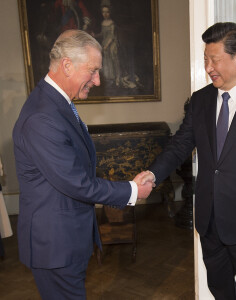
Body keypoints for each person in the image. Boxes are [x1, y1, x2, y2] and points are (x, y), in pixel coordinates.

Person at [140, 22, 236, 299]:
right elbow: (180, 145)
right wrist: (153, 174)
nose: (208, 67)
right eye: (205, 60)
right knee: (219, 289)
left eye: (215, 59)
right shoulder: (200, 100)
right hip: (210, 220)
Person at [13, 29, 153, 300]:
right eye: (93, 71)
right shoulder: (43, 116)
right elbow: (76, 182)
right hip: (55, 246)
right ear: (67, 65)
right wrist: (132, 191)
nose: (97, 80)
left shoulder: (57, 104)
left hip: (66, 240)